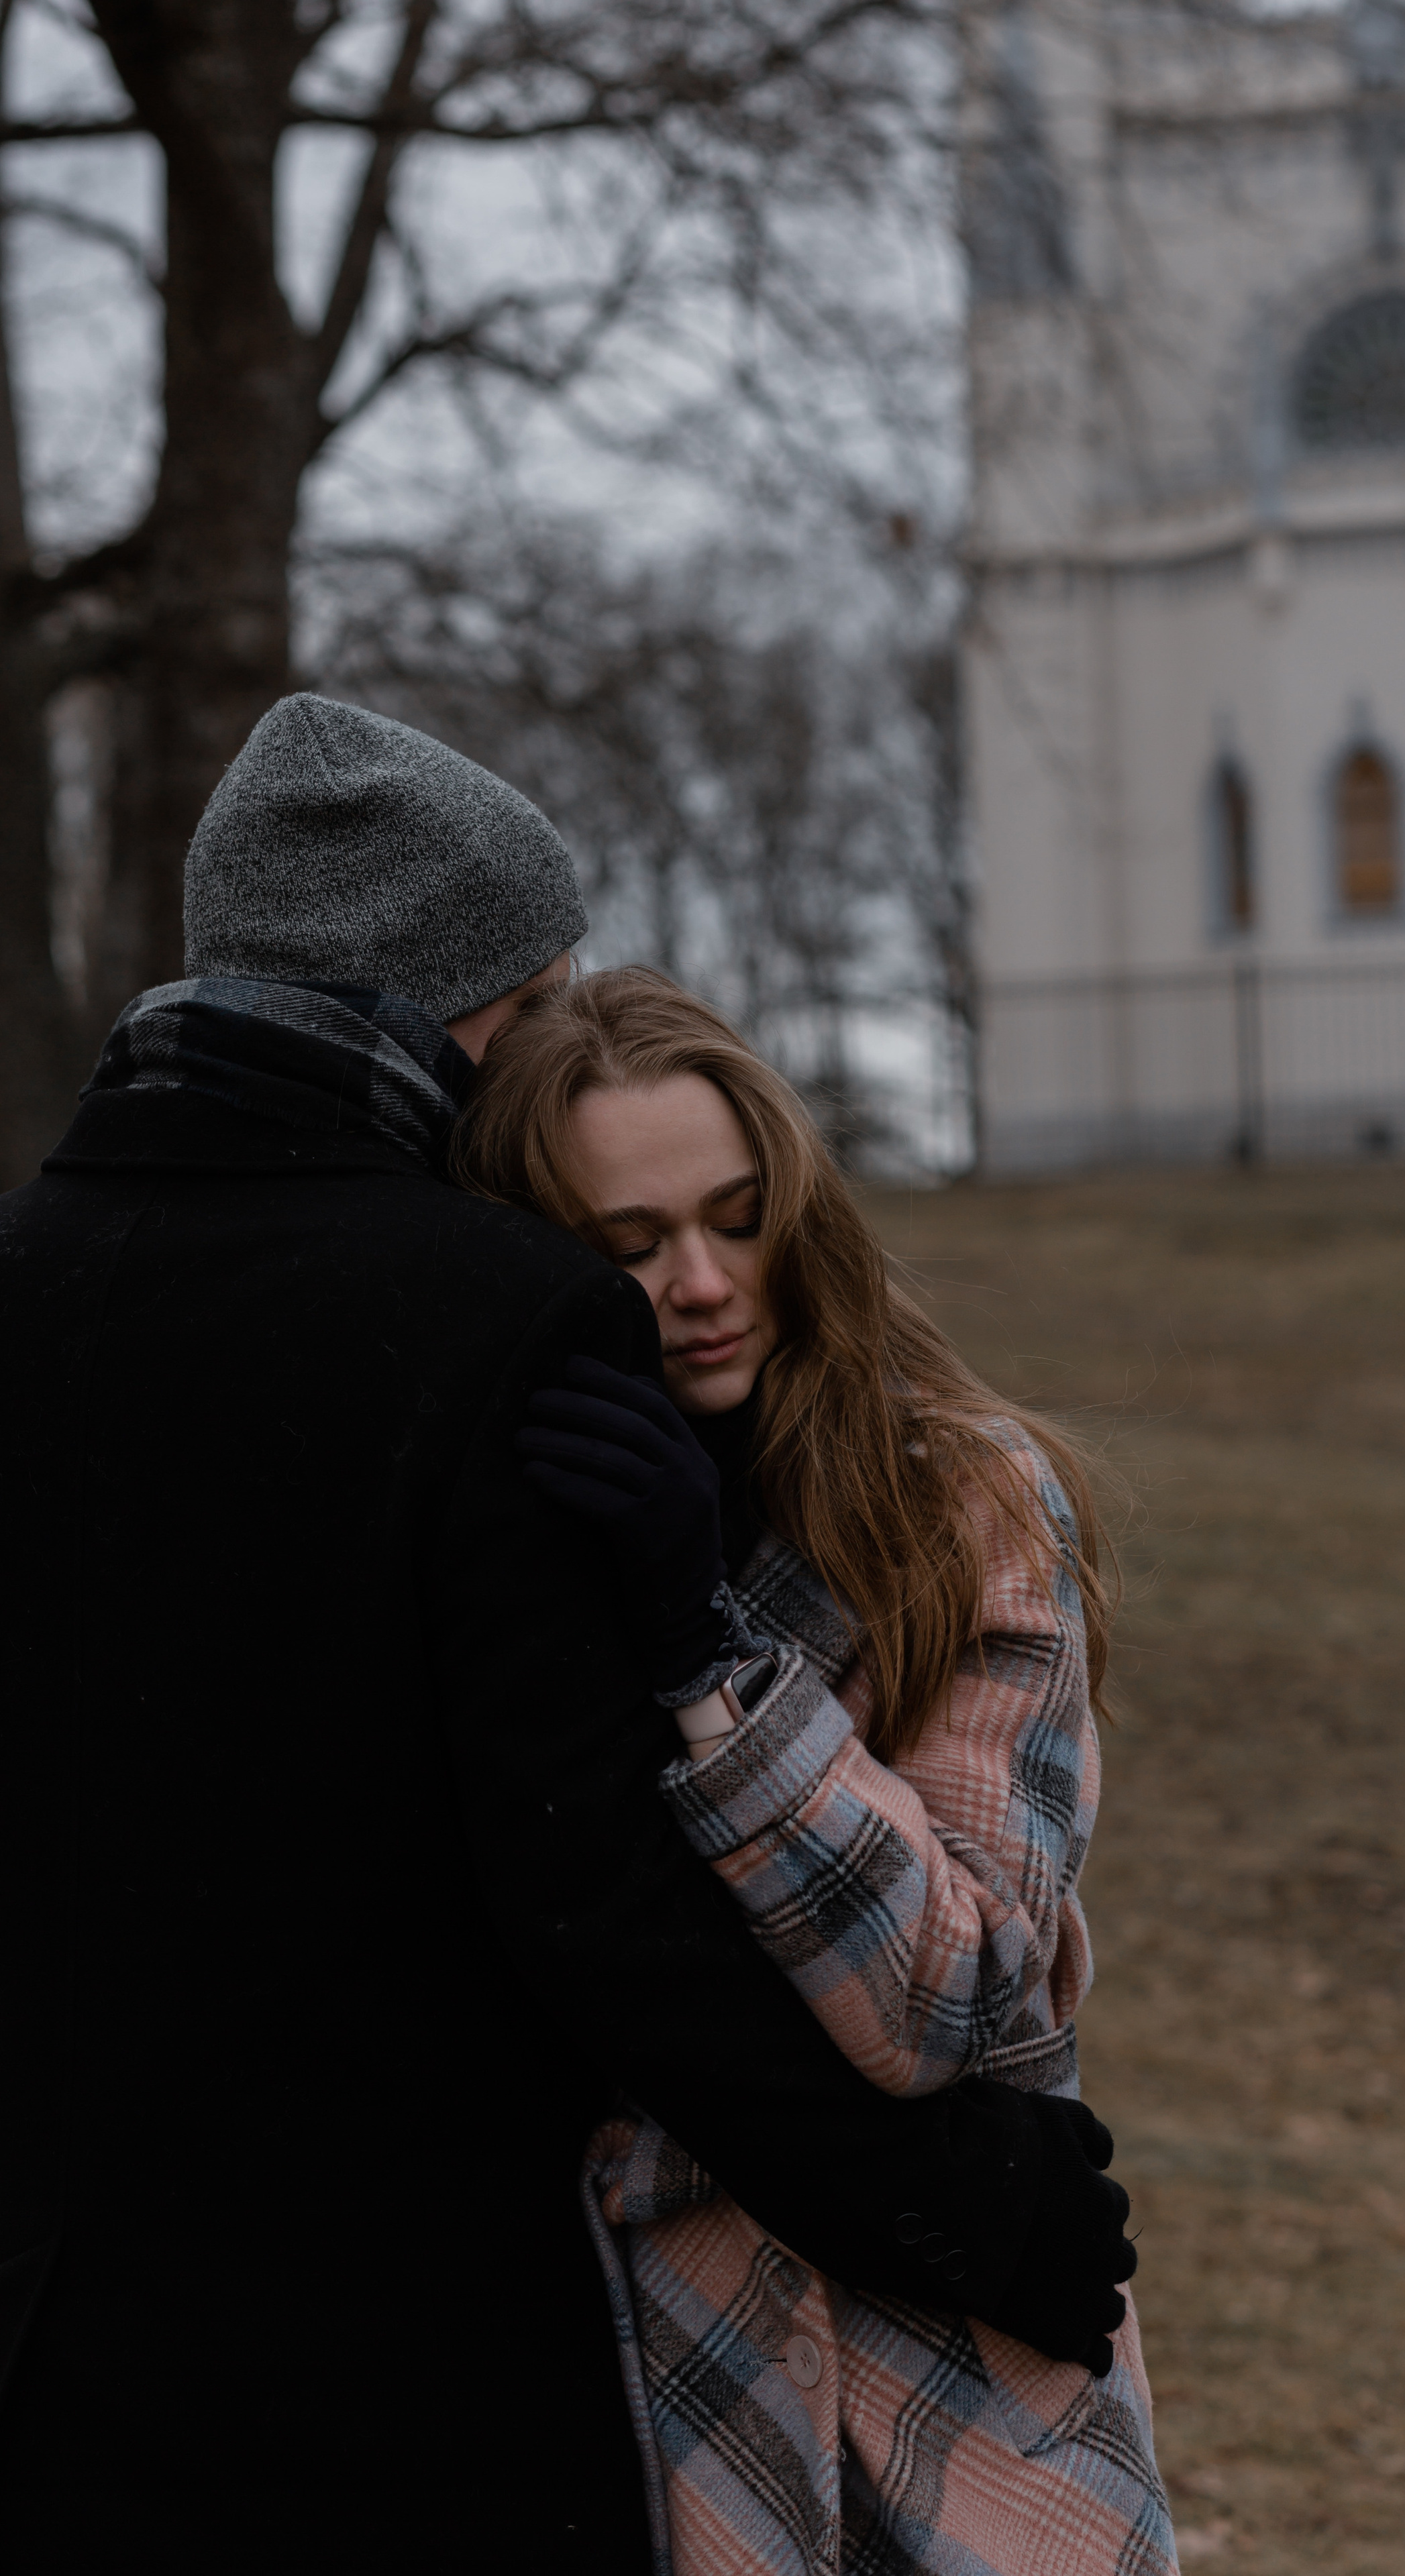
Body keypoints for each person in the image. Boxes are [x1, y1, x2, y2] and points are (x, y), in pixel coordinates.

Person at [0, 696, 1137, 2574]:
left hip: (16, 2376)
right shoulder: (491, 1325)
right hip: (418, 2375)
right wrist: (948, 2198)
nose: (698, 1283)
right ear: (468, 1009)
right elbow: (592, 1908)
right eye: (543, 987)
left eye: (739, 1220)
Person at [459, 965, 1178, 2576]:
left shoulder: (964, 1506)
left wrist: (711, 1654)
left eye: (737, 1217)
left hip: (968, 2382)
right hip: (655, 2375)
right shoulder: (495, 1556)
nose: (702, 1284)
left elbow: (960, 1990)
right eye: (627, 1249)